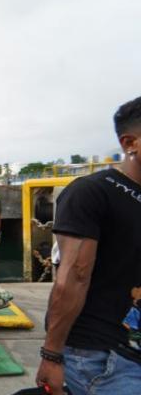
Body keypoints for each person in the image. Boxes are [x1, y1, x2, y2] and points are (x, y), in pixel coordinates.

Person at [35, 96, 141, 394]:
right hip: (104, 358)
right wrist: (52, 355)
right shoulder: (93, 192)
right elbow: (74, 277)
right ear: (129, 142)